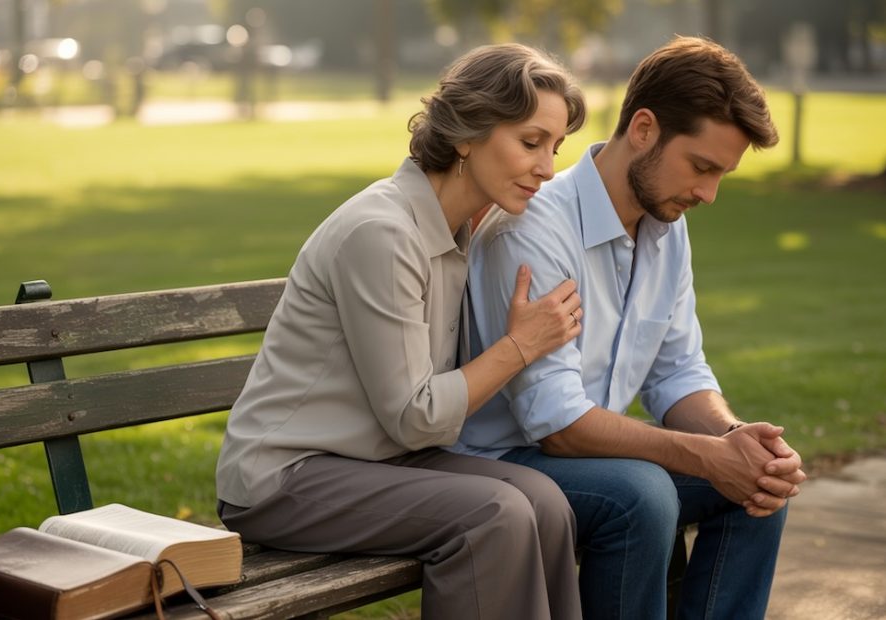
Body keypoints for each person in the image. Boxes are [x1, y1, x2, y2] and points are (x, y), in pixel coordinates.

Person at [216, 43, 588, 620]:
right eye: (530, 142)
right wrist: (521, 346)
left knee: (544, 501)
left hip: (376, 460)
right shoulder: (383, 232)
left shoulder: (457, 229)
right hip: (284, 477)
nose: (547, 168)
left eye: (555, 148)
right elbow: (416, 416)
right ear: (467, 135)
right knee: (495, 514)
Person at [454, 36, 807, 619]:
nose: (708, 194)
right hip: (500, 462)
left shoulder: (667, 226)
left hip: (588, 457)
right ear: (643, 129)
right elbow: (555, 424)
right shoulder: (533, 230)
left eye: (722, 175)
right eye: (702, 167)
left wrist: (736, 440)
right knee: (642, 495)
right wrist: (706, 457)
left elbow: (677, 372)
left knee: (760, 482)